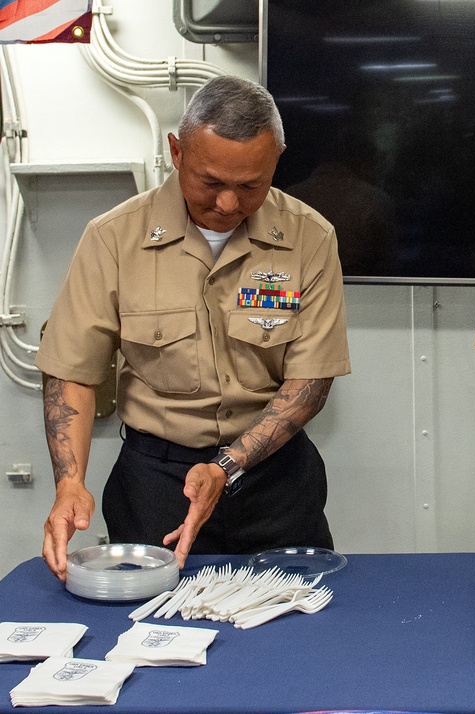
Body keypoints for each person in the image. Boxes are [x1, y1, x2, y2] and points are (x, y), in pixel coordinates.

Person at [36, 76, 351, 580]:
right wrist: (69, 483)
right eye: (211, 183)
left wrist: (228, 465)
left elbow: (310, 381)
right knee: (151, 616)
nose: (228, 204)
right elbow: (72, 371)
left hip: (274, 480)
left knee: (292, 615)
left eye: (250, 186)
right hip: (156, 483)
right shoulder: (113, 238)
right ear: (177, 153)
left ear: (277, 160)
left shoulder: (309, 237)